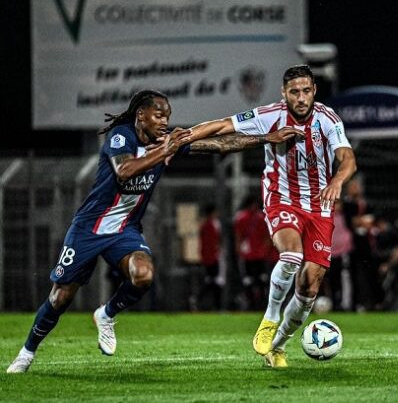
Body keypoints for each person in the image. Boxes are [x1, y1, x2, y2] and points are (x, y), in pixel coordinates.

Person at [6, 90, 302, 373]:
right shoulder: (121, 136)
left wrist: (267, 138)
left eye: (167, 116)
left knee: (144, 275)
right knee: (61, 298)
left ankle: (106, 315)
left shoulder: (166, 141)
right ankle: (27, 353)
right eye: (158, 115)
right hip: (89, 228)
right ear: (140, 115)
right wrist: (166, 150)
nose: (164, 121)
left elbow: (220, 144)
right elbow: (125, 171)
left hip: (125, 231)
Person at [184, 65, 357, 368]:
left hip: (319, 206)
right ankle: (270, 317)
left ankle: (277, 347)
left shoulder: (328, 119)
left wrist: (338, 180)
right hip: (282, 198)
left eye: (306, 91)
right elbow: (224, 126)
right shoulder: (270, 114)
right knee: (291, 256)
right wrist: (185, 136)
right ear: (284, 93)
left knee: (310, 287)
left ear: (314, 90)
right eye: (294, 92)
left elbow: (347, 157)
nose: (300, 98)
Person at [234, 196, 274, 310]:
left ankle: (261, 302)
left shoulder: (261, 217)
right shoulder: (242, 217)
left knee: (262, 279)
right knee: (248, 280)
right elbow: (238, 235)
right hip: (248, 255)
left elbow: (266, 236)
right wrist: (239, 250)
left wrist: (265, 250)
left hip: (259, 255)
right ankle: (251, 303)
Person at [342, 178, 376, 311]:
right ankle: (353, 304)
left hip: (365, 244)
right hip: (350, 245)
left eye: (357, 187)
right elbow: (352, 222)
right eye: (353, 187)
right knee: (353, 275)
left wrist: (362, 221)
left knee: (368, 273)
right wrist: (362, 221)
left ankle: (369, 302)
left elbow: (372, 219)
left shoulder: (364, 203)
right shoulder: (347, 204)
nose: (356, 189)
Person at [189, 205, 222, 311]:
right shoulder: (209, 225)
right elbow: (210, 243)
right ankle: (200, 299)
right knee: (212, 281)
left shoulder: (207, 225)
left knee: (213, 281)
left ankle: (213, 304)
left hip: (210, 257)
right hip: (211, 258)